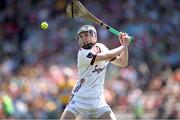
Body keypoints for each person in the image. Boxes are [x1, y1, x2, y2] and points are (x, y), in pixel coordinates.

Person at [60, 25, 130, 120]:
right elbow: (107, 56)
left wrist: (124, 46)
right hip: (79, 98)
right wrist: (124, 45)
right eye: (81, 37)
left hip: (98, 100)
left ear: (95, 36)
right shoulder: (83, 53)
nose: (83, 38)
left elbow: (122, 63)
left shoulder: (102, 47)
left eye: (86, 35)